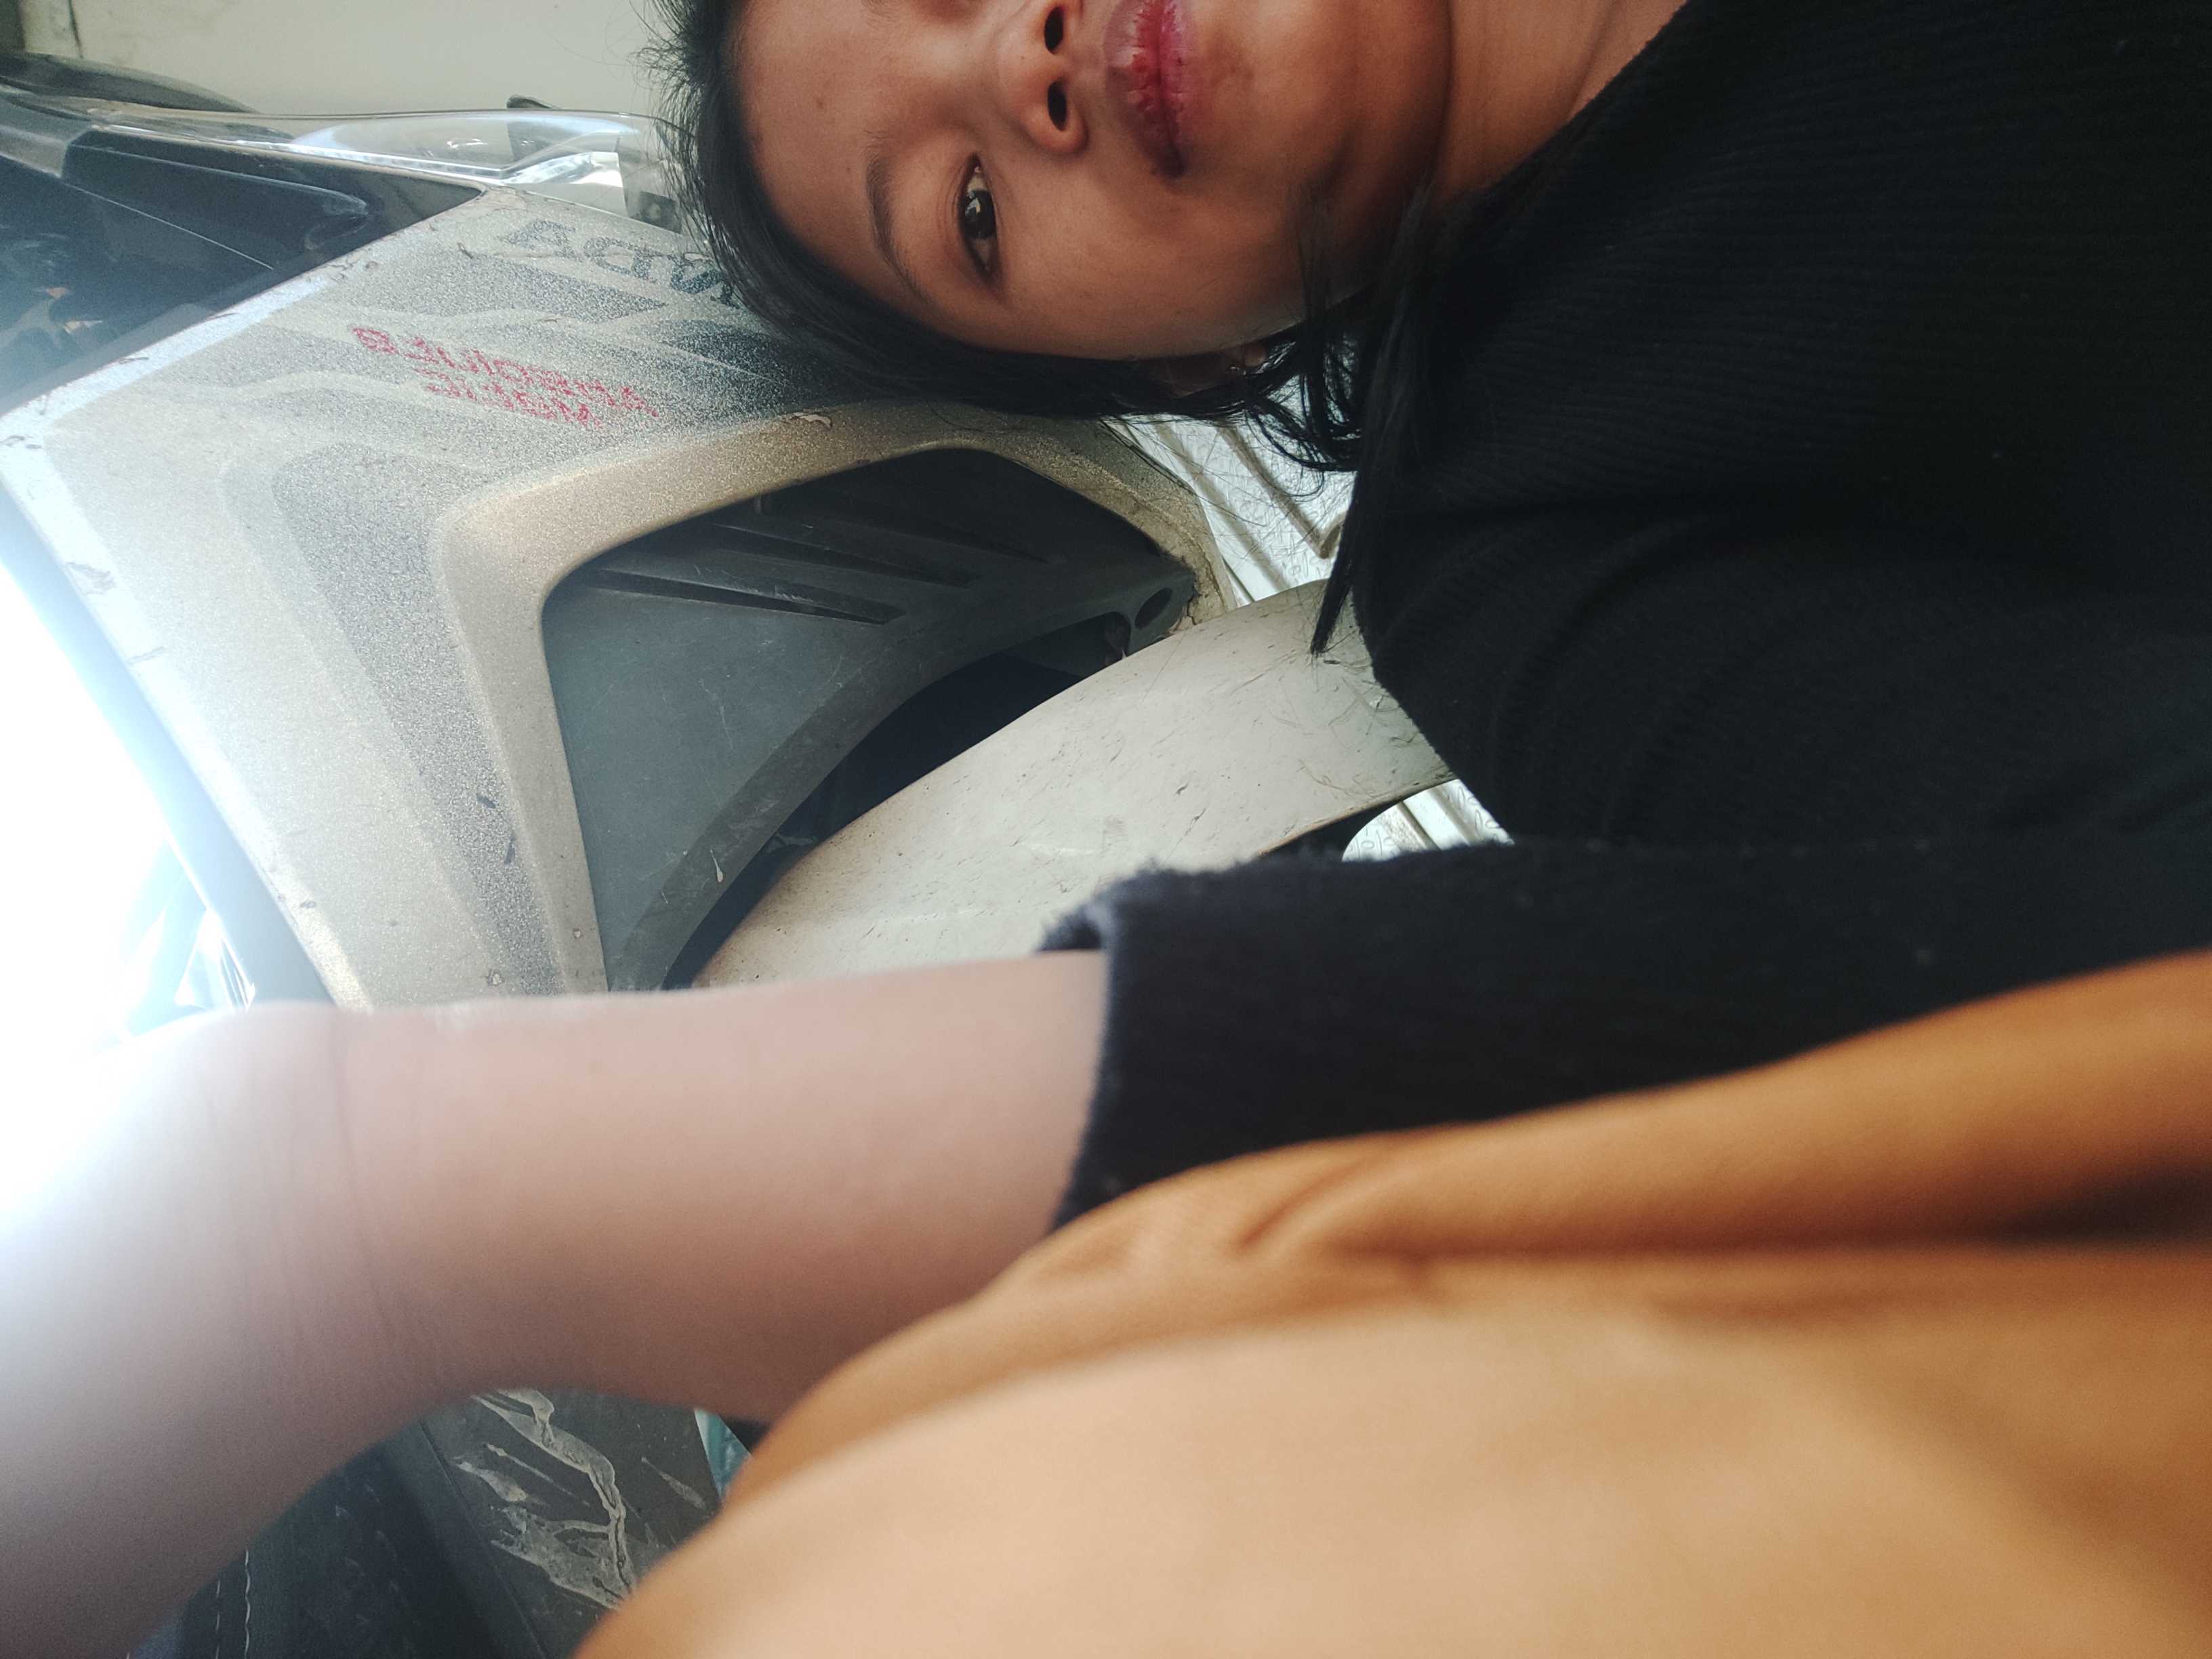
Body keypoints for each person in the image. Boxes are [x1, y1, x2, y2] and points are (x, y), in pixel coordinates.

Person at [6, 0, 2212, 1651]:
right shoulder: (1534, 543)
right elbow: (2070, 999)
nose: (1022, 62)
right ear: (1171, 373)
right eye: (972, 214)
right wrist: (354, 1190)